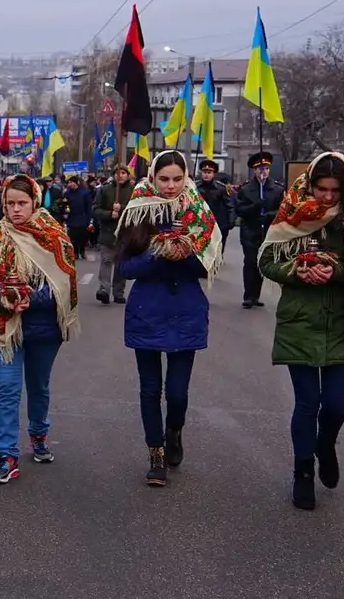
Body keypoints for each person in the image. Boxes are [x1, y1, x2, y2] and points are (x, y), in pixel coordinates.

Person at [258, 152, 344, 511]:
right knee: (307, 403)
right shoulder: (292, 212)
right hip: (298, 322)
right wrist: (295, 272)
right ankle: (302, 474)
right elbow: (266, 260)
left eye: (335, 190)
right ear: (309, 185)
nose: (328, 197)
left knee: (335, 407)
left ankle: (325, 444)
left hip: (342, 325)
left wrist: (337, 272)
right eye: (321, 189)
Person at [116, 150, 223, 487]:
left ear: (186, 176)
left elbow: (207, 264)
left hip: (186, 310)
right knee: (150, 389)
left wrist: (187, 253)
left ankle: (174, 429)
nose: (171, 186)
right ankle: (156, 455)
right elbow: (125, 267)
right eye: (164, 179)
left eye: (177, 178)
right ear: (152, 178)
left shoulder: (198, 210)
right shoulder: (139, 208)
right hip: (147, 311)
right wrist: (159, 253)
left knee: (176, 393)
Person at [0, 174, 79, 484]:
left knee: (38, 386)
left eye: (22, 203)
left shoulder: (54, 236)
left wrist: (30, 298)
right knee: (7, 390)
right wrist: (2, 296)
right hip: (5, 326)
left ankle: (38, 434)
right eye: (10, 204)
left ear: (34, 201)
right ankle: (6, 455)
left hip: (45, 329)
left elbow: (66, 285)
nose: (16, 209)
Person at [236, 151, 284, 309]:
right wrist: (255, 206)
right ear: (254, 170)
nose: (263, 171)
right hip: (250, 232)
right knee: (250, 263)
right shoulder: (246, 189)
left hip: (268, 232)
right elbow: (240, 210)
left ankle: (256, 295)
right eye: (259, 168)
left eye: (266, 168)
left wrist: (269, 214)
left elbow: (283, 210)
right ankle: (248, 296)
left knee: (261, 264)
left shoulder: (277, 189)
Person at [93, 165, 136, 305]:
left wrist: (122, 209)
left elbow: (137, 211)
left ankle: (118, 292)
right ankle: (103, 290)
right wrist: (109, 214)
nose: (120, 175)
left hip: (125, 234)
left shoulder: (133, 191)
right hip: (108, 233)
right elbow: (95, 209)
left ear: (128, 175)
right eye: (117, 173)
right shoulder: (104, 190)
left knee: (120, 264)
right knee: (106, 261)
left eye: (123, 173)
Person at [195, 159, 233, 256]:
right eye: (204, 172)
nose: (206, 175)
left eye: (209, 172)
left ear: (213, 174)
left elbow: (229, 206)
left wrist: (230, 221)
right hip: (200, 223)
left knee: (217, 250)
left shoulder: (221, 188)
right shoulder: (195, 187)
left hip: (218, 224)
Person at [63, 176, 94, 259]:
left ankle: (82, 251)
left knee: (83, 236)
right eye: (69, 182)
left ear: (77, 182)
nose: (70, 184)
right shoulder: (67, 193)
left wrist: (89, 218)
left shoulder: (85, 192)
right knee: (73, 237)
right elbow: (65, 205)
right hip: (72, 217)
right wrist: (65, 213)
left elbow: (89, 206)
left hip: (83, 217)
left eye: (71, 182)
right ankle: (75, 252)